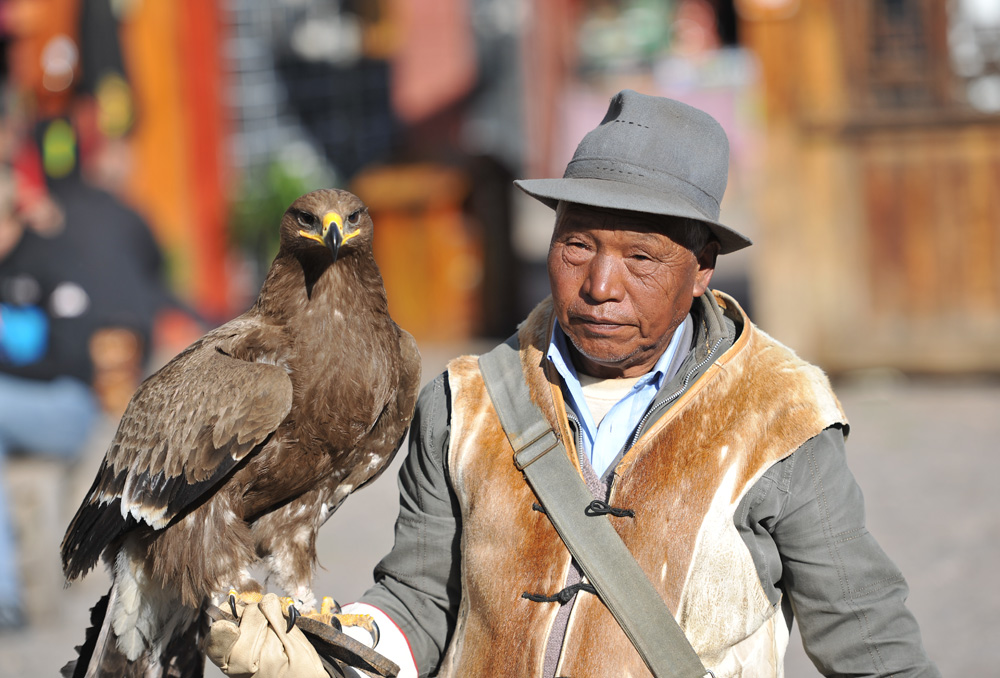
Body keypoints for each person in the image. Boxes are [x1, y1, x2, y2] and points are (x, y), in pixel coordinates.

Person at [208, 90, 939, 677]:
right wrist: (335, 653)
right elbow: (421, 596)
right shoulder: (465, 404)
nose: (600, 286)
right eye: (578, 245)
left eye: (641, 258)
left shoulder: (780, 415)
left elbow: (868, 641)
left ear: (702, 269)